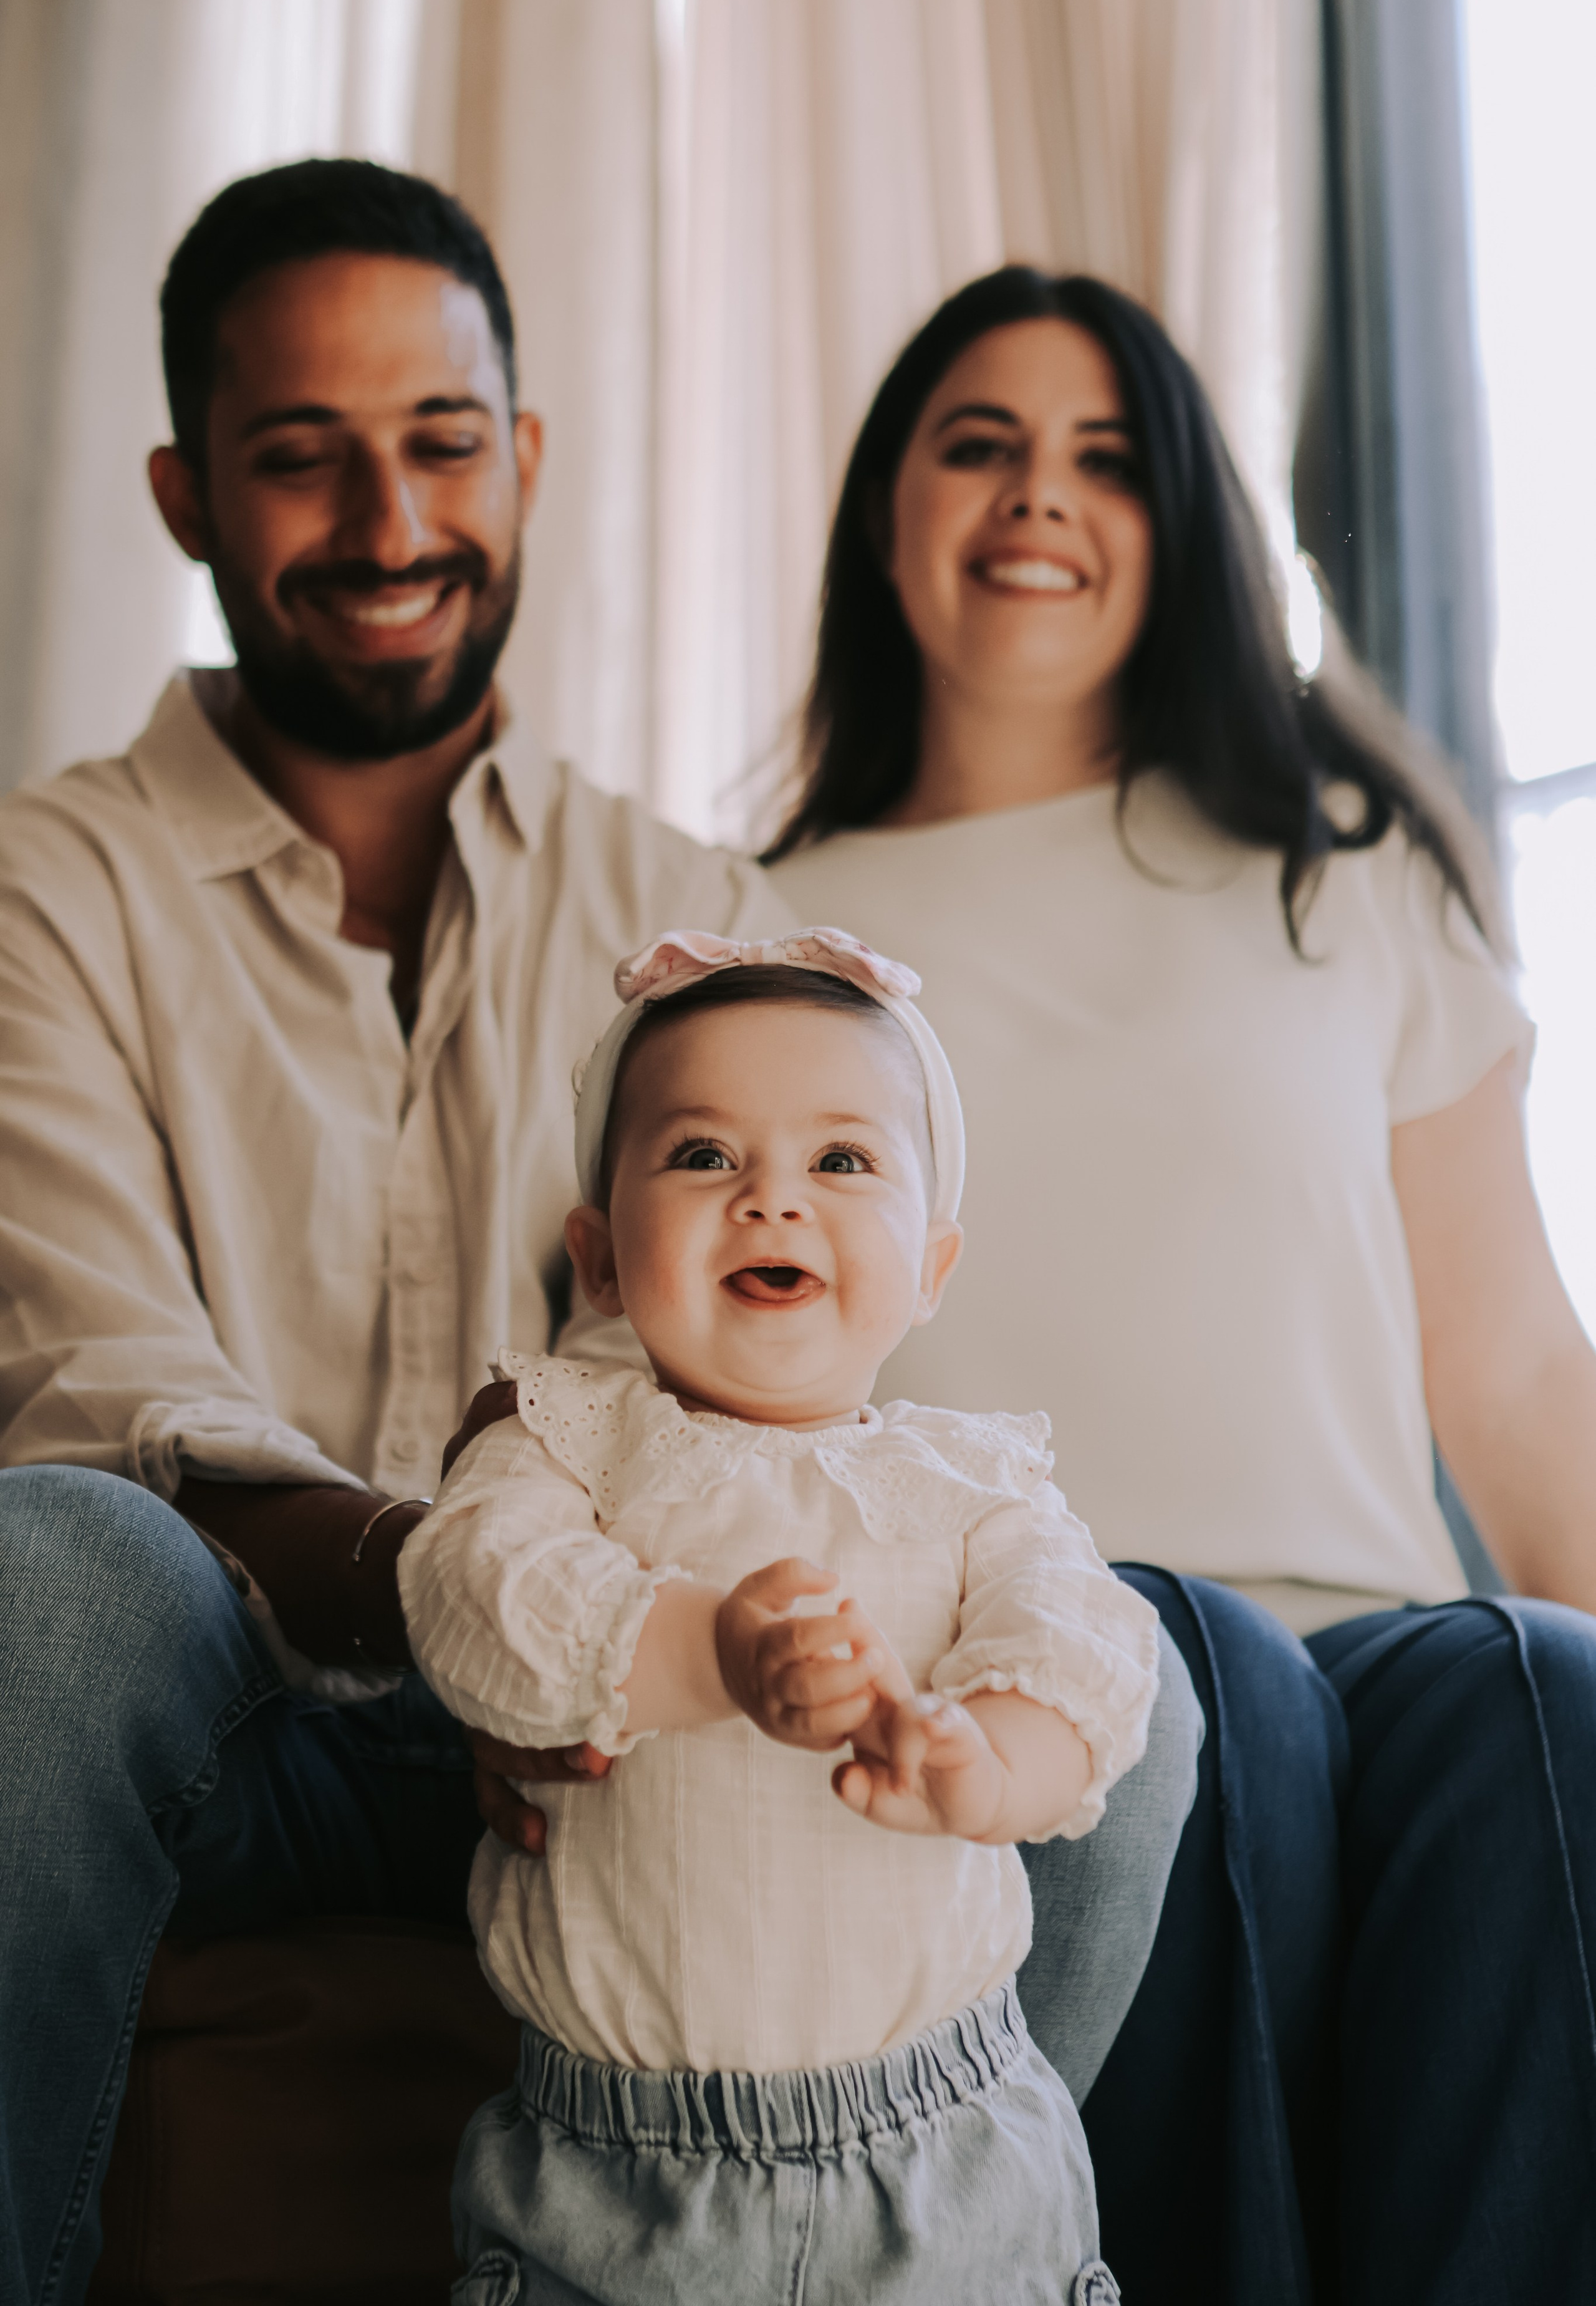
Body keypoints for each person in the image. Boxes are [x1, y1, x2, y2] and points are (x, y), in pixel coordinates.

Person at [0, 173, 1195, 2304]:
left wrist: (677, 1643)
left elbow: (778, 1357)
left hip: (652, 1720)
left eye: (442, 442)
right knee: (48, 1576)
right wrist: (479, 1608)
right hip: (254, 1714)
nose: (388, 520)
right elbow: (106, 1385)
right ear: (186, 493)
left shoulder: (693, 914)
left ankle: (959, 2249)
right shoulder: (43, 892)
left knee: (1145, 1673)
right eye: (301, 457)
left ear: (524, 459)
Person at [769, 267, 1596, 2305]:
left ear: (1184, 529)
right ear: (891, 510)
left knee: (1545, 1683)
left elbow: (1512, 1377)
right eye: (981, 443)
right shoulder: (758, 935)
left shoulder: (1350, 875)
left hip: (1378, 1663)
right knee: (1197, 1672)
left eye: (1107, 457)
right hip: (1014, 1682)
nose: (1041, 495)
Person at [400, 926, 1165, 2306]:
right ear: (600, 1258)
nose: (770, 1201)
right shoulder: (567, 1439)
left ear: (931, 1266)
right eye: (702, 1156)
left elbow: (1086, 1641)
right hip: (611, 2184)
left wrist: (988, 1755)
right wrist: (709, 1650)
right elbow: (470, 1594)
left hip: (948, 2161)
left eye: (841, 1160)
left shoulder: (970, 1478)